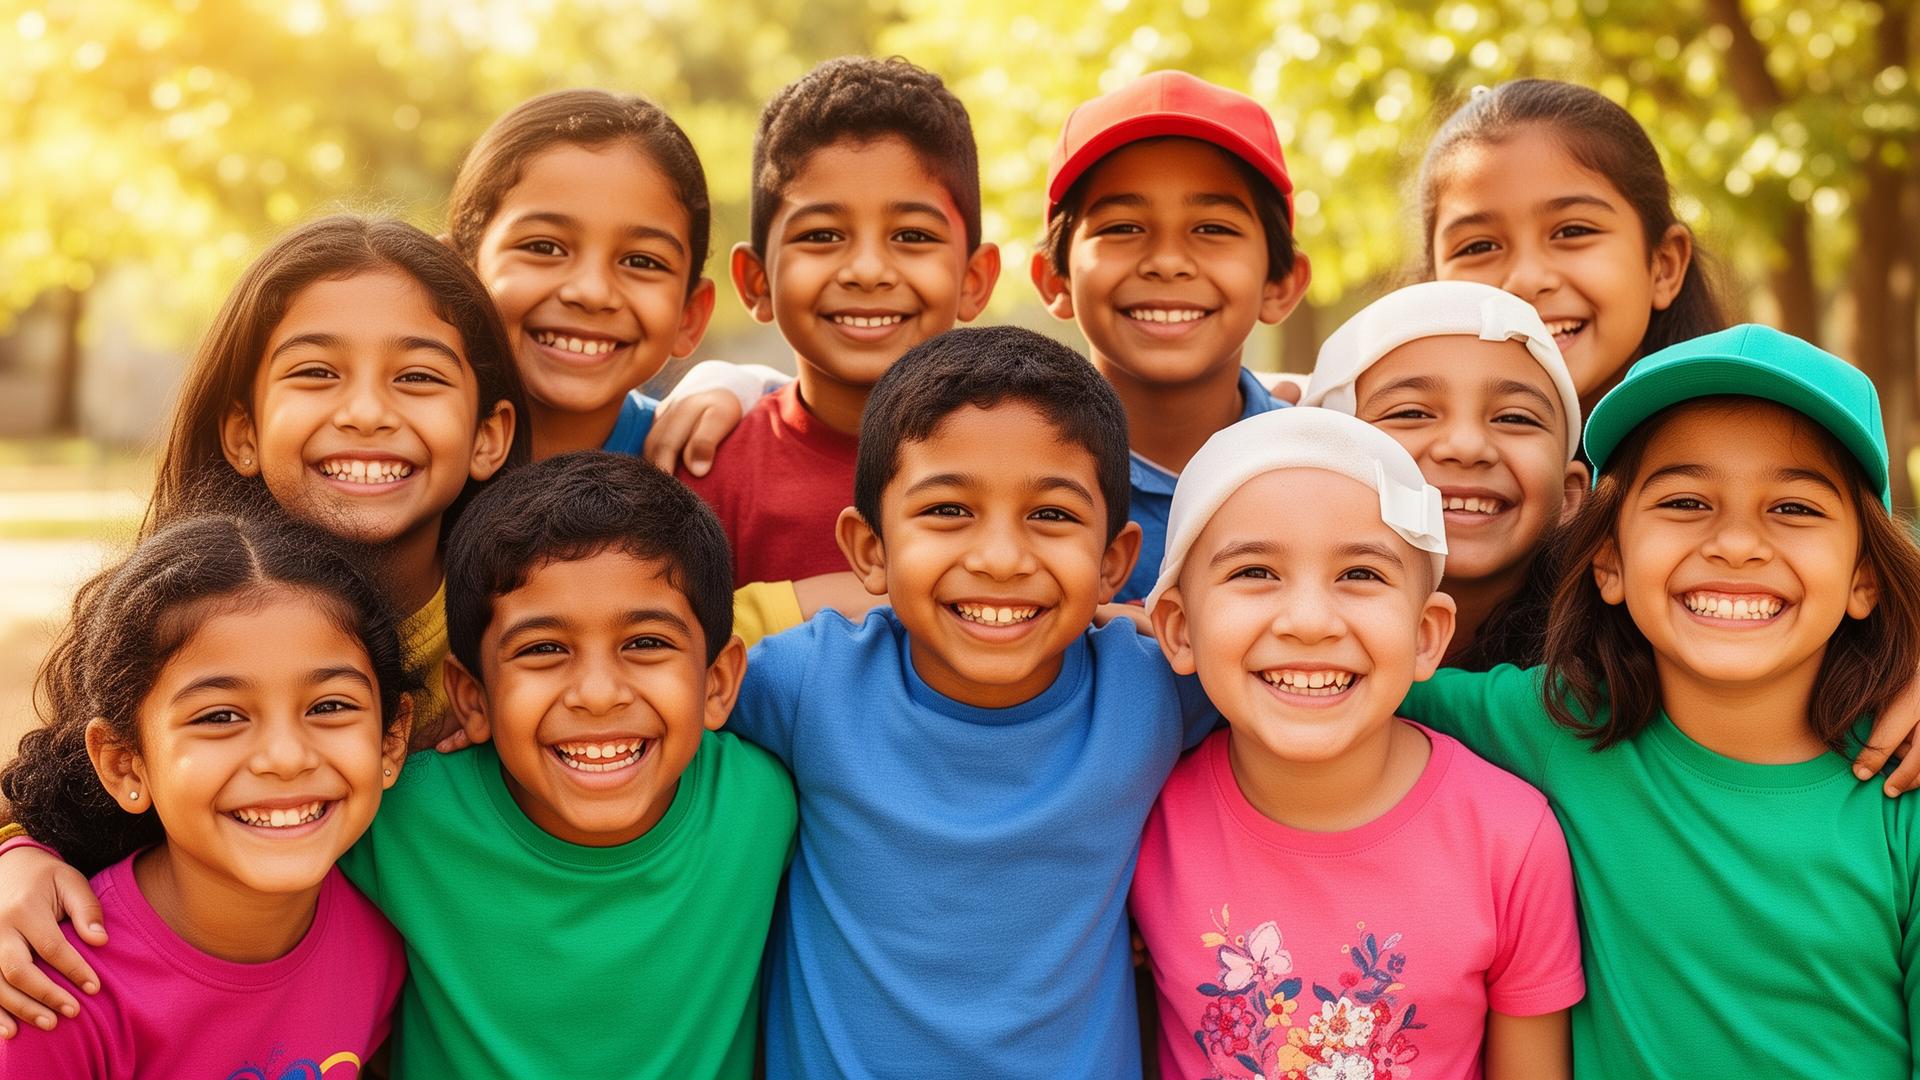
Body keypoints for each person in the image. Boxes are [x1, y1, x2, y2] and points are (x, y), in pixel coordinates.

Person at [0, 452, 799, 1077]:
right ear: (470, 696)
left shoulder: (768, 800)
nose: (596, 692)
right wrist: (17, 853)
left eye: (646, 644)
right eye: (544, 649)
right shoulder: (395, 821)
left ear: (720, 680)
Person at [1395, 325, 1920, 1076]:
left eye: (1795, 509)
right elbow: (1336, 679)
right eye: (1684, 500)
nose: (1737, 543)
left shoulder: (1904, 794)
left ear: (1865, 577)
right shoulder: (1552, 726)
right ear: (1608, 559)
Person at [731, 325, 1215, 1076]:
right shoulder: (807, 684)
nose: (998, 558)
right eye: (948, 511)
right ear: (870, 551)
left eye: (1051, 515)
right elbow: (648, 667)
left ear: (1114, 561)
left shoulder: (1153, 686)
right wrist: (723, 388)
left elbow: (1332, 676)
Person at [1136, 407, 1583, 1079]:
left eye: (1361, 576)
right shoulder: (1141, 823)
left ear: (1428, 634)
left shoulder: (1511, 842)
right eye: (1255, 572)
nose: (1311, 621)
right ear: (1178, 628)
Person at [0, 509, 410, 1071]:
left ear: (391, 742)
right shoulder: (47, 993)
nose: (286, 758)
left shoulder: (380, 945)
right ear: (126, 767)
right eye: (219, 716)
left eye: (330, 707)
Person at [146, 214, 529, 743]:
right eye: (316, 373)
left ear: (487, 437)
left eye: (417, 376)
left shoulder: (527, 630)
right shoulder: (169, 631)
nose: (367, 413)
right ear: (244, 433)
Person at [677, 55, 1001, 586]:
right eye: (821, 235)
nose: (868, 271)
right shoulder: (707, 474)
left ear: (974, 279)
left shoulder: (1034, 459)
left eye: (913, 236)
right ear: (757, 281)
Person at [1030, 70, 1312, 602]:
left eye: (1213, 229)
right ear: (1056, 279)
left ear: (1279, 283)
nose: (1166, 262)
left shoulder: (1328, 467)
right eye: (1122, 227)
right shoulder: (1015, 470)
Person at [444, 88, 785, 462]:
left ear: (690, 316)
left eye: (642, 262)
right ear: (455, 275)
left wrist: (744, 385)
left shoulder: (694, 461)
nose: (592, 292)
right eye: (544, 248)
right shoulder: (398, 455)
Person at [1304, 279, 1586, 668]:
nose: (1467, 447)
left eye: (1514, 418)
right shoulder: (1276, 641)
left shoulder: (1615, 671)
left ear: (1570, 497)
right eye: (1411, 413)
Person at [1416, 78, 1728, 411]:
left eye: (1572, 232)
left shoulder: (1739, 453)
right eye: (1478, 247)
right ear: (1430, 286)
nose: (1526, 280)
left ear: (1664, 266)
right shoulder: (1382, 457)